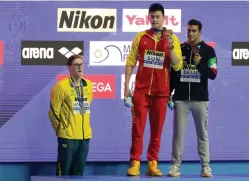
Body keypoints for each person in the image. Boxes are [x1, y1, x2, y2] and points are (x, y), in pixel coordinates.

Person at [124, 3, 183, 177]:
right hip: (141, 92)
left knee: (157, 131)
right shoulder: (141, 37)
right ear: (148, 17)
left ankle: (152, 163)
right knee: (138, 129)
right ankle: (135, 162)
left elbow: (177, 65)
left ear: (164, 18)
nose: (155, 20)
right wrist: (126, 87)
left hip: (161, 92)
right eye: (152, 17)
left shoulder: (172, 38)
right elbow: (130, 62)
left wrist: (171, 47)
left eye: (158, 17)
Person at [167, 19, 217, 177]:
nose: (190, 33)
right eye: (188, 30)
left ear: (200, 32)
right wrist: (170, 92)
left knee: (202, 133)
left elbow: (213, 74)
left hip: (200, 100)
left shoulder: (209, 51)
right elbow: (174, 73)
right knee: (178, 134)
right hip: (181, 99)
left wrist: (200, 64)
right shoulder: (180, 49)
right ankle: (175, 166)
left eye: (194, 30)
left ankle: (205, 167)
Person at [48, 55, 93, 176]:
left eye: (81, 64)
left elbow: (85, 109)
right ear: (69, 67)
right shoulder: (60, 87)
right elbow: (53, 112)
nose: (80, 67)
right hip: (67, 137)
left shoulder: (89, 85)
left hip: (84, 137)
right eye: (76, 65)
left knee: (78, 173)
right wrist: (62, 130)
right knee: (64, 172)